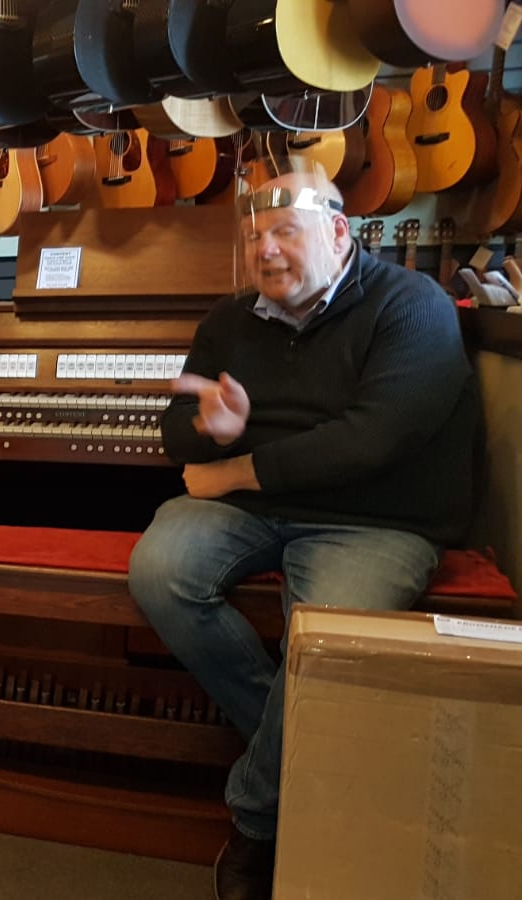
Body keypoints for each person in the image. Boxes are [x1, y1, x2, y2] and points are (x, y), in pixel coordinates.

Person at [128, 170, 479, 900]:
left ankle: (257, 818)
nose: (269, 250)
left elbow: (374, 440)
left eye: (288, 231)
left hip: (377, 517)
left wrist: (232, 470)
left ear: (340, 233)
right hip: (256, 511)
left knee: (325, 638)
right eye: (256, 237)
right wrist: (206, 428)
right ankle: (302, 744)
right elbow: (174, 427)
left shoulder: (413, 306)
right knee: (160, 568)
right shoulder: (229, 320)